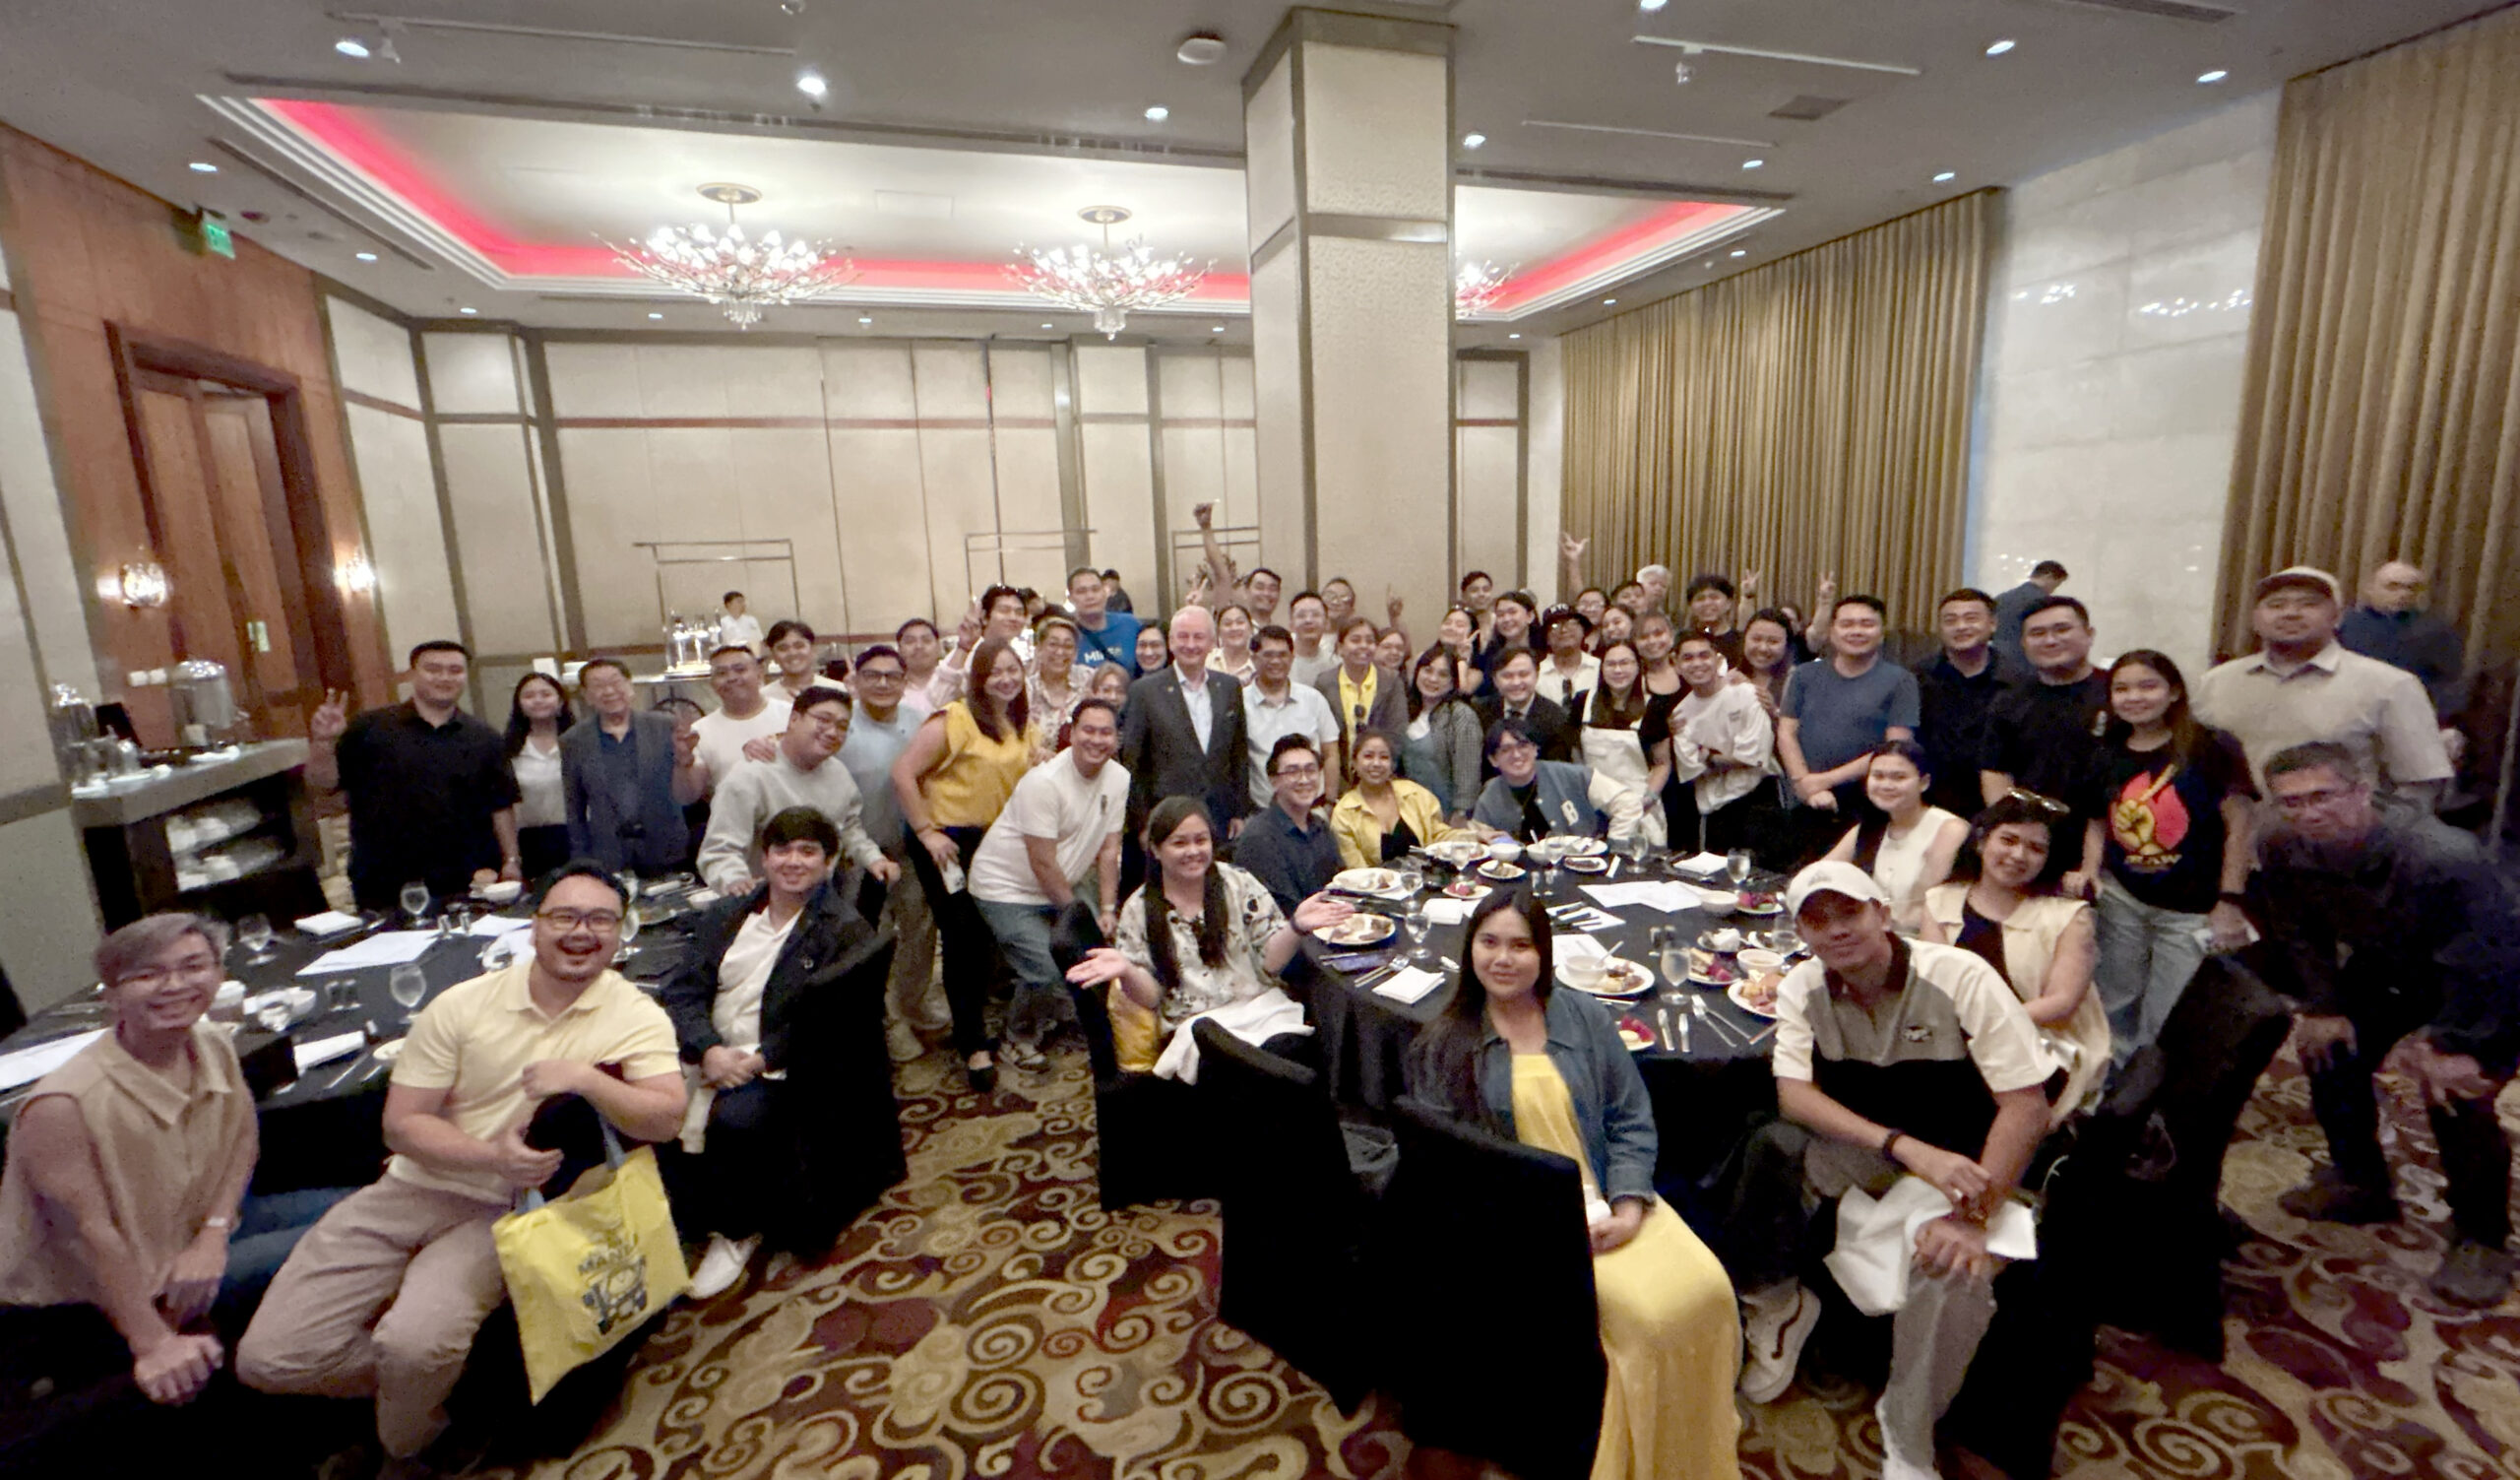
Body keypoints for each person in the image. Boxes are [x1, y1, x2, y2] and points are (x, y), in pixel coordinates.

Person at [238, 865, 685, 1462]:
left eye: (600, 919)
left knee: (415, 1344)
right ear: (534, 926)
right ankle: (461, 1394)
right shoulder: (463, 1005)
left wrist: (587, 1079)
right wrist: (492, 1155)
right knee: (269, 1358)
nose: (582, 932)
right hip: (411, 1187)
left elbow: (665, 1119)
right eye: (565, 917)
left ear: (620, 930)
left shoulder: (634, 1014)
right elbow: (402, 1125)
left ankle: (411, 1442)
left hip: (506, 1211)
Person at [1722, 863, 2051, 1480]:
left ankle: (1907, 1429)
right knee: (1772, 1147)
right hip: (1885, 1155)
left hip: (1969, 1164)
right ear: (1800, 933)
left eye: (1849, 912)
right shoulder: (1804, 985)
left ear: (1883, 913)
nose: (1836, 930)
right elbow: (1795, 1097)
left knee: (1951, 1268)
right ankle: (1775, 1301)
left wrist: (1971, 1218)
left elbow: (2028, 1107)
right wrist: (1901, 1146)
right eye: (1817, 920)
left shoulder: (1959, 976)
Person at [1406, 890, 1743, 1480]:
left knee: (1711, 1291)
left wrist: (1630, 1204)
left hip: (1610, 1195)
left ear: (1544, 953)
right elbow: (1453, 1171)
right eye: (1489, 942)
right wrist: (1534, 1230)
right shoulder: (1443, 1042)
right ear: (1469, 949)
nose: (1503, 958)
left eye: (1520, 945)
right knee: (1649, 1320)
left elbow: (1629, 1117)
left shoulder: (1583, 1016)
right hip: (1524, 1227)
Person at [0, 917, 345, 1412]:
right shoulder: (63, 1105)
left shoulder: (211, 1042)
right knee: (364, 1238)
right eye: (148, 974)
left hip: (203, 1236)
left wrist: (212, 1235)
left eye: (193, 967)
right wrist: (154, 1345)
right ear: (111, 995)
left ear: (219, 974)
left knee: (376, 1210)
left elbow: (241, 1136)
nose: (175, 985)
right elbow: (87, 1236)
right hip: (133, 1287)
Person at [2252, 741, 2520, 1306]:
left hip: (2482, 983)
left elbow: (2491, 957)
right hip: (2389, 966)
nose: (2308, 813)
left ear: (2361, 791)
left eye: (2322, 796)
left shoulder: (2442, 855)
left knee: (2455, 1095)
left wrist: (2453, 1043)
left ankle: (2482, 1237)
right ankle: (2360, 1182)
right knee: (2328, 1052)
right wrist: (2323, 1005)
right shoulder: (2279, 843)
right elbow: (2297, 931)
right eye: (2292, 802)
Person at [662, 807, 893, 1297]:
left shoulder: (842, 930)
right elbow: (684, 990)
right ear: (764, 859)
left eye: (808, 851)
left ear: (829, 862)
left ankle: (737, 1228)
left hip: (785, 1064)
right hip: (709, 1049)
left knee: (734, 1119)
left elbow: (828, 1022)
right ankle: (678, 1215)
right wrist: (707, 1048)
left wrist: (758, 1059)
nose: (793, 861)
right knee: (648, 1103)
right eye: (782, 850)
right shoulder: (727, 914)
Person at [1064, 798, 1352, 1076]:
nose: (1193, 851)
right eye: (1179, 843)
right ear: (1155, 849)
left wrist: (1296, 926)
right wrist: (1127, 971)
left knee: (1289, 1054)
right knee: (1236, 1064)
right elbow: (1151, 998)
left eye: (1201, 840)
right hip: (1196, 1031)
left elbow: (1269, 964)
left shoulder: (1239, 883)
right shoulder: (1138, 909)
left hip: (1259, 1011)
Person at [2068, 651, 2256, 1064]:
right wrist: (2090, 869)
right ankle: (2112, 1085)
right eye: (2122, 689)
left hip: (2192, 907)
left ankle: (2152, 1090)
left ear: (2173, 692)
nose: (2134, 697)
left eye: (2147, 686)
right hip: (2124, 900)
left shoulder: (2210, 746)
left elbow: (2240, 826)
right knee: (2114, 1002)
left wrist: (2230, 900)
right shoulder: (2106, 750)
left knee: (2170, 1013)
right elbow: (2097, 819)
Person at [893, 638, 1036, 1093]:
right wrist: (926, 831)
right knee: (962, 938)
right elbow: (903, 773)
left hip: (996, 841)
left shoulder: (1020, 722)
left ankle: (978, 1021)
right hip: (947, 842)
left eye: (1013, 670)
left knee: (987, 935)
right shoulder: (953, 718)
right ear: (978, 678)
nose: (1006, 679)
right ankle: (972, 1045)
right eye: (995, 671)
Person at [1918, 796, 2110, 1122]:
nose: (2019, 855)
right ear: (1981, 842)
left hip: (2041, 1045)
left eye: (2035, 848)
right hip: (1955, 1040)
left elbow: (2061, 1002)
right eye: (2008, 840)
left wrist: (1984, 1027)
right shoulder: (1940, 901)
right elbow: (1933, 986)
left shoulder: (2069, 916)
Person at [2195, 566, 2455, 806]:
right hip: (2233, 835)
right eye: (2276, 605)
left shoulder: (2390, 685)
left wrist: (2373, 832)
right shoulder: (2217, 683)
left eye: (2308, 604)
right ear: (2255, 619)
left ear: (2337, 617)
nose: (2290, 612)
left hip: (2351, 837)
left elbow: (2421, 783)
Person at [970, 698, 1128, 1071]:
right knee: (1044, 967)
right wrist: (1076, 919)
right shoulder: (1043, 783)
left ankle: (1059, 1008)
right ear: (1071, 733)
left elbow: (1109, 850)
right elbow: (1042, 862)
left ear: (1117, 739)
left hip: (1064, 880)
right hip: (1005, 889)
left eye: (1105, 732)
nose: (1096, 739)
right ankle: (1018, 1036)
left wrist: (1107, 908)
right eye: (1088, 730)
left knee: (1096, 950)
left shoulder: (1119, 778)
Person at [307, 640, 522, 911]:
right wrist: (323, 742)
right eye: (433, 669)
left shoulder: (484, 737)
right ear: (411, 674)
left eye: (455, 670)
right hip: (384, 877)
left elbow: (501, 804)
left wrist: (511, 860)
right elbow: (321, 785)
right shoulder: (369, 728)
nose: (444, 677)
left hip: (465, 875)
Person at [835, 644, 948, 1062]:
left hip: (912, 847)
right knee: (870, 939)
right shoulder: (840, 727)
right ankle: (888, 1020)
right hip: (858, 854)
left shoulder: (919, 723)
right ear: (856, 680)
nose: (882, 683)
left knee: (920, 932)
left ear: (904, 682)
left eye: (892, 676)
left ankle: (912, 1003)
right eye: (872, 675)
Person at [697, 686, 897, 894]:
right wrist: (737, 884)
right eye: (823, 720)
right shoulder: (750, 776)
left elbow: (848, 827)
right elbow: (720, 852)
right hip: (763, 899)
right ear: (793, 719)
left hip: (821, 897)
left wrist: (873, 858)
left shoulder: (838, 773)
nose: (832, 732)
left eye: (842, 726)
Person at [1777, 597, 1920, 854]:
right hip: (1802, 800)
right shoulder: (1805, 675)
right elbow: (1787, 732)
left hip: (1866, 804)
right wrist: (1802, 783)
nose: (1856, 631)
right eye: (1847, 624)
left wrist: (1823, 781)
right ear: (1832, 631)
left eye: (1867, 624)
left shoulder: (1901, 681)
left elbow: (1895, 748)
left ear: (1881, 633)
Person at [559, 658, 702, 876]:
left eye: (615, 682)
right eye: (598, 685)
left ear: (630, 685)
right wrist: (581, 859)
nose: (609, 691)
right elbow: (574, 806)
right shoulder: (573, 740)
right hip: (608, 854)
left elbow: (686, 791)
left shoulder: (664, 726)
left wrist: (685, 760)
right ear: (586, 695)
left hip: (667, 846)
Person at [1120, 606, 1250, 844]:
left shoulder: (1230, 687)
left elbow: (1238, 754)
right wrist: (1142, 824)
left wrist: (1239, 812)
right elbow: (1132, 763)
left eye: (1198, 637)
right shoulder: (1144, 691)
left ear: (1212, 643)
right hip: (1166, 820)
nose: (1190, 645)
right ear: (1171, 642)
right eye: (1183, 636)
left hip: (1220, 819)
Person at [1978, 596, 2110, 820]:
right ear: (2023, 643)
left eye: (2062, 629)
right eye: (2037, 633)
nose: (2050, 641)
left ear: (2089, 634)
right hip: (2031, 829)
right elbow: (1996, 772)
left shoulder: (2117, 693)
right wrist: (2008, 824)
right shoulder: (2008, 701)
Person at [1650, 632, 1776, 856]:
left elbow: (1754, 756)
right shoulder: (1680, 714)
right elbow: (1692, 768)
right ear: (1676, 665)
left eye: (1704, 655)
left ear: (1717, 660)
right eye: (1688, 658)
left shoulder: (1749, 695)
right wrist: (1729, 758)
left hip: (1759, 801)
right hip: (1713, 812)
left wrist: (1709, 756)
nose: (1697, 663)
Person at [1823, 741, 1966, 934]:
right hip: (1873, 936)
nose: (1886, 785)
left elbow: (1926, 909)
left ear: (1924, 782)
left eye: (1899, 777)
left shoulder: (1950, 830)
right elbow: (1818, 875)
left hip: (1925, 940)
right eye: (1878, 776)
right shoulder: (1869, 827)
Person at [1912, 589, 2021, 820]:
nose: (1960, 627)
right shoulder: (1915, 678)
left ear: (1993, 624)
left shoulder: (2019, 682)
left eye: (1971, 618)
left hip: (1996, 806)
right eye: (1950, 620)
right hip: (1928, 805)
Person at [2339, 560, 2468, 737]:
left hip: (2411, 722)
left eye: (2411, 588)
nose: (2403, 594)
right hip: (2349, 717)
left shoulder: (2435, 630)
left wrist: (2446, 725)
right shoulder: (2346, 625)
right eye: (2393, 587)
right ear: (2370, 588)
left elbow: (2450, 682)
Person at [1473, 718, 1642, 844]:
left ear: (1535, 749)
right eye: (1506, 750)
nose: (1516, 755)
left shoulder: (1572, 775)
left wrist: (1616, 844)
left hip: (1582, 865)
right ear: (1493, 759)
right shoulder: (1489, 797)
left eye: (1523, 745)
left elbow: (1628, 803)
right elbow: (1479, 838)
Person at [1234, 735, 1346, 915]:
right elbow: (1285, 909)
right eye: (1293, 772)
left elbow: (1341, 882)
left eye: (1310, 770)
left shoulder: (1320, 826)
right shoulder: (1259, 839)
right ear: (1274, 781)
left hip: (1332, 919)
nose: (1304, 780)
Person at [1332, 729, 1469, 869]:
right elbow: (1356, 870)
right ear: (1354, 763)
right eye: (1368, 756)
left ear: (1392, 765)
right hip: (1372, 882)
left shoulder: (1414, 794)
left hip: (1423, 877)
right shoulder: (1344, 813)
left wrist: (1472, 837)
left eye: (1384, 757)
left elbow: (1438, 836)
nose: (1376, 763)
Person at [1243, 624, 1342, 809]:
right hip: (1261, 812)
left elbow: (1330, 753)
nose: (1276, 661)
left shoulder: (1313, 699)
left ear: (1292, 658)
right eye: (1268, 655)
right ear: (1254, 659)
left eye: (1282, 655)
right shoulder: (1240, 703)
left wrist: (1330, 802)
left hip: (1314, 809)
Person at [1583, 641, 1666, 849]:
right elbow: (1575, 755)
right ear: (1601, 668)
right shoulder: (1583, 702)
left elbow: (1662, 763)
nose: (1618, 670)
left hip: (1639, 807)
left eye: (1625, 663)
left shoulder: (1654, 707)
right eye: (1611, 664)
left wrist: (1647, 799)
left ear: (1638, 666)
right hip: (1592, 807)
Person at [689, 644, 793, 795]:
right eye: (722, 673)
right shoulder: (700, 731)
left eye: (740, 670)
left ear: (759, 673)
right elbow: (690, 795)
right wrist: (682, 761)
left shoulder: (791, 715)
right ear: (712, 683)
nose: (731, 678)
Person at [1317, 616, 1408, 786]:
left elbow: (1397, 734)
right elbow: (1323, 739)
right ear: (1340, 647)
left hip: (1382, 777)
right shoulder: (1325, 683)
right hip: (1339, 779)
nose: (1363, 646)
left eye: (1370, 641)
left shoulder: (1391, 681)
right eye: (1355, 640)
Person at [1403, 644, 1485, 821]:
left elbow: (1468, 773)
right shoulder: (1405, 711)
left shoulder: (1460, 715)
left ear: (1452, 682)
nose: (1433, 679)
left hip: (1447, 815)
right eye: (1428, 670)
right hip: (1409, 813)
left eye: (1443, 674)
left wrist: (1461, 813)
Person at [504, 673, 574, 881]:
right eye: (529, 696)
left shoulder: (577, 742)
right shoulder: (508, 749)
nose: (538, 700)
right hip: (530, 840)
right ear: (519, 705)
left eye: (546, 694)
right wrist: (511, 858)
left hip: (577, 836)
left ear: (560, 701)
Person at [1477, 647, 1576, 775]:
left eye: (1523, 674)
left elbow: (1557, 773)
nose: (1516, 682)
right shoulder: (1480, 713)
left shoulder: (1557, 719)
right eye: (1507, 676)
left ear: (1537, 676)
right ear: (1495, 680)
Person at [1027, 615, 1093, 765]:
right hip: (1037, 771)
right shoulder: (1025, 689)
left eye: (1068, 646)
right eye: (1053, 644)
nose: (1060, 652)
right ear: (1039, 649)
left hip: (1082, 770)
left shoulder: (1089, 680)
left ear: (1075, 653)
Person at [1067, 564, 1143, 676]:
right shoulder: (1068, 636)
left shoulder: (1130, 625)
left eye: (1095, 589)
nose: (1090, 596)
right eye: (1082, 591)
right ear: (1071, 598)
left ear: (1105, 593)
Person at [1989, 559, 2067, 668]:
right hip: (2027, 662)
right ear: (2048, 577)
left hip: (1997, 659)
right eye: (2056, 585)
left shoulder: (2002, 598)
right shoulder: (2043, 602)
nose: (2053, 590)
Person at [1538, 606, 1601, 714]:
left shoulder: (1599, 668)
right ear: (1546, 638)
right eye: (1555, 625)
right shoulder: (1536, 674)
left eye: (1571, 623)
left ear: (1583, 631)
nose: (1564, 630)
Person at [1473, 591, 1541, 684]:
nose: (1506, 619)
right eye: (1500, 615)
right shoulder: (1489, 656)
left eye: (1512, 612)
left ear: (1529, 616)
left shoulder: (1545, 652)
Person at [1738, 609, 1797, 716]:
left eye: (1773, 642)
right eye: (1756, 639)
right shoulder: (1730, 678)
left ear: (1787, 645)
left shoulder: (1796, 680)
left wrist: (1774, 711)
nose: (1763, 648)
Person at [1683, 574, 1747, 669]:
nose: (1707, 603)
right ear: (1690, 606)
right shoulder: (1682, 640)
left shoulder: (1741, 642)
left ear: (1729, 603)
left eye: (1714, 597)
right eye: (1700, 599)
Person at [894, 617, 948, 719]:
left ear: (938, 647)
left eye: (926, 641)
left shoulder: (955, 684)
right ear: (899, 650)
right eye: (910, 642)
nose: (919, 646)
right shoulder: (891, 689)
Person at [1284, 591, 1337, 688]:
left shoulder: (1334, 664)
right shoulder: (1280, 661)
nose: (1308, 620)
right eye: (1301, 615)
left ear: (1326, 623)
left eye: (1315, 615)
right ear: (1291, 624)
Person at [762, 620, 822, 705]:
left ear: (813, 649)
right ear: (773, 656)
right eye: (783, 648)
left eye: (799, 646)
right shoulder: (763, 698)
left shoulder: (836, 691)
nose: (792, 653)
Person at [1434, 606, 1487, 698]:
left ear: (1472, 633)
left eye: (1460, 625)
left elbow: (1462, 691)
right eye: (1447, 623)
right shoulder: (1423, 657)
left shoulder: (1475, 672)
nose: (1451, 628)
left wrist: (1462, 659)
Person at [1635, 612, 1683, 698]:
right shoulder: (1634, 682)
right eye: (1643, 636)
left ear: (1671, 635)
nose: (1652, 641)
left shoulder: (1688, 672)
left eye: (1658, 634)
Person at [1214, 603, 1258, 685]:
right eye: (1227, 624)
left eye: (1240, 622)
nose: (1234, 628)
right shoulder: (1207, 659)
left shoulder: (1259, 664)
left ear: (1251, 628)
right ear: (1218, 631)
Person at [718, 591, 764, 655]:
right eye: (739, 602)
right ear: (729, 604)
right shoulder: (722, 623)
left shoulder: (751, 620)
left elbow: (759, 639)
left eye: (743, 601)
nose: (743, 604)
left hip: (750, 653)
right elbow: (717, 643)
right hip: (730, 653)